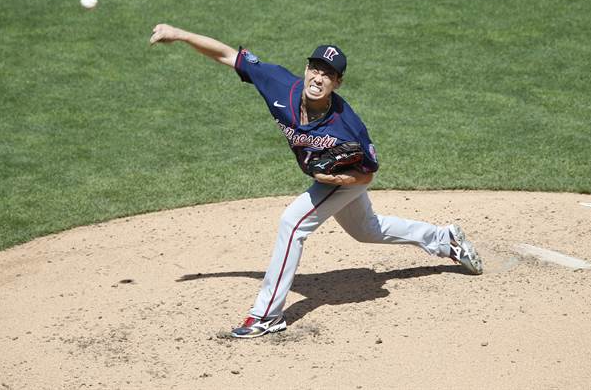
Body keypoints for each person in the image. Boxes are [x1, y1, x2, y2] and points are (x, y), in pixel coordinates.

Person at [149, 24, 484, 338]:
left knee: (292, 223)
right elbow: (227, 55)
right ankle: (444, 239)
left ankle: (267, 315)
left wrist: (334, 176)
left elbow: (368, 172)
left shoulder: (347, 126)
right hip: (331, 176)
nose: (318, 77)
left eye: (328, 74)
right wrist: (178, 33)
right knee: (366, 230)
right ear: (306, 69)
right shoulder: (278, 83)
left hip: (349, 177)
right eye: (316, 68)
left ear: (336, 83)